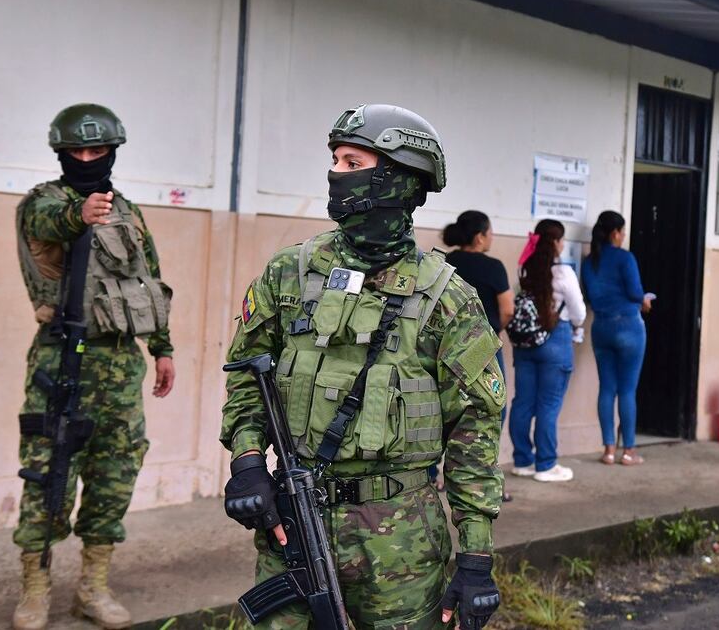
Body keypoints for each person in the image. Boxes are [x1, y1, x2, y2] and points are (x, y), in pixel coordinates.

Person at [221, 104, 505, 629]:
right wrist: (247, 462)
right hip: (294, 520)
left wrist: (476, 557)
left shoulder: (448, 297)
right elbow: (246, 373)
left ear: (398, 180)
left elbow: (476, 433)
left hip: (401, 538)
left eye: (354, 163)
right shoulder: (291, 272)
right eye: (335, 161)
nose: (337, 175)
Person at [13, 104, 176, 630]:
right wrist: (77, 216)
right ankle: (35, 590)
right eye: (76, 151)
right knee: (48, 477)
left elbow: (149, 278)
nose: (86, 159)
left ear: (112, 152)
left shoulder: (127, 209)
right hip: (62, 360)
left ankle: (93, 588)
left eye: (97, 151)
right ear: (61, 153)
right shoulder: (45, 201)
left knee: (114, 476)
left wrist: (162, 348)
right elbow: (45, 223)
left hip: (121, 365)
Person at [442, 210, 514, 499]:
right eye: (490, 232)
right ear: (480, 236)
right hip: (482, 345)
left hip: (446, 345)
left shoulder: (447, 262)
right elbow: (507, 309)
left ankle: (436, 476)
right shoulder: (493, 267)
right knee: (489, 408)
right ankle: (480, 479)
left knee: (446, 408)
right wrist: (495, 331)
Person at [508, 219, 586, 482]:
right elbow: (578, 312)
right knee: (548, 405)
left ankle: (522, 461)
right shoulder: (563, 274)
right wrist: (578, 326)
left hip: (525, 344)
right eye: (561, 240)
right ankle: (546, 465)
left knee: (523, 402)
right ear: (555, 242)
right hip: (555, 341)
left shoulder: (525, 270)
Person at [580, 211, 652, 466]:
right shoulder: (625, 258)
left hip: (601, 327)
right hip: (629, 326)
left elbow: (589, 295)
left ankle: (608, 450)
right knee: (627, 390)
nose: (623, 237)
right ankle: (628, 451)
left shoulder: (590, 262)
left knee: (607, 389)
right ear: (615, 233)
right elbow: (634, 291)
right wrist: (644, 300)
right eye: (622, 232)